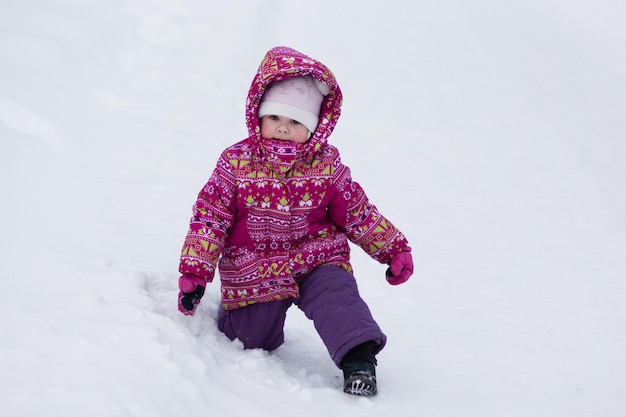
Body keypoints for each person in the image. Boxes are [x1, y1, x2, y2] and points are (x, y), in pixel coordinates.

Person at [177, 46, 413, 396]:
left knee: (338, 297)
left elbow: (357, 211)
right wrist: (195, 272)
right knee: (250, 340)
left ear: (316, 128)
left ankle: (359, 359)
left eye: (295, 122)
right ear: (258, 115)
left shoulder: (327, 165)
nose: (283, 129)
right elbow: (210, 217)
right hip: (254, 268)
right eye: (275, 118)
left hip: (317, 257)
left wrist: (392, 248)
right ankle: (242, 318)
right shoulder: (235, 164)